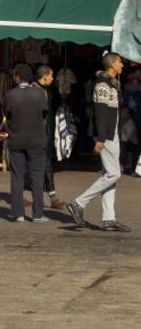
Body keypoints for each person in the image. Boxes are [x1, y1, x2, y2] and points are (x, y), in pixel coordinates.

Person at [67, 53, 131, 232]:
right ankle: (79, 203)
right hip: (108, 135)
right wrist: (101, 138)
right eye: (120, 62)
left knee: (110, 175)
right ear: (111, 64)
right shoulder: (103, 84)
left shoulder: (111, 83)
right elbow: (101, 112)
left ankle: (108, 218)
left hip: (111, 133)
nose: (122, 65)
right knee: (113, 174)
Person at [3, 63, 49, 223]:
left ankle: (18, 213)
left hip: (16, 140)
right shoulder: (40, 94)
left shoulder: (10, 95)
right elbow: (44, 112)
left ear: (17, 77)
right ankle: (37, 214)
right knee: (37, 177)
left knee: (17, 177)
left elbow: (7, 113)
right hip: (37, 140)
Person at [33, 65, 65, 209]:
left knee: (43, 165)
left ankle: (48, 197)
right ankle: (51, 198)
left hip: (43, 133)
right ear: (44, 76)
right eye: (51, 76)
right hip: (36, 135)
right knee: (43, 165)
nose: (53, 79)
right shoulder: (35, 92)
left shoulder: (45, 91)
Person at [119, 106, 139, 175]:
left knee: (122, 144)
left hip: (131, 144)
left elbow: (125, 139)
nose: (121, 114)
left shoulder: (131, 124)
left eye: (123, 113)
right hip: (123, 142)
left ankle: (121, 166)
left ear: (128, 115)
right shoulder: (119, 121)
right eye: (121, 112)